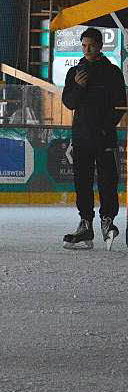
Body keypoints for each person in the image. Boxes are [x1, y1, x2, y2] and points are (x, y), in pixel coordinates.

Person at [61, 27, 126, 251]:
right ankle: (85, 224)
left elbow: (120, 105)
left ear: (100, 46)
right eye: (84, 45)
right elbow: (69, 102)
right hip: (81, 137)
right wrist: (79, 87)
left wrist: (104, 129)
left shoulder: (112, 72)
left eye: (91, 45)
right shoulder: (75, 72)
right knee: (83, 182)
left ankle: (107, 220)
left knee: (108, 180)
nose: (87, 49)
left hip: (105, 138)